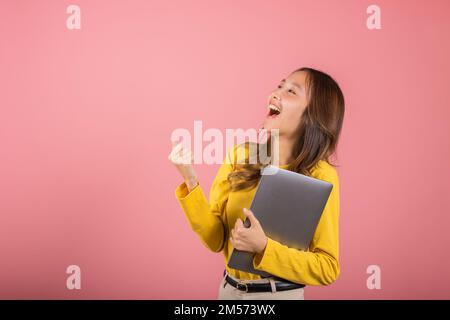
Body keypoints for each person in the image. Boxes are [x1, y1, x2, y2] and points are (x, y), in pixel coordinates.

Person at [168, 67, 345, 300]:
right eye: (280, 85)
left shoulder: (321, 175)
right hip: (228, 292)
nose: (275, 93)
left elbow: (327, 267)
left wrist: (264, 247)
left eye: (291, 91)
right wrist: (190, 179)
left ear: (313, 115)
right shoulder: (241, 156)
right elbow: (216, 240)